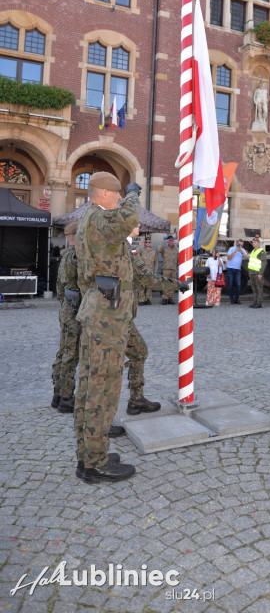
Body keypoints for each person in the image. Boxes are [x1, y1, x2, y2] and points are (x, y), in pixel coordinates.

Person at [74, 172, 141, 484]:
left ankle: (88, 455)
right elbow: (129, 218)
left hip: (97, 309)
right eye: (115, 195)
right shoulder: (100, 218)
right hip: (106, 318)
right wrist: (133, 193)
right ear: (103, 194)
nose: (118, 201)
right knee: (103, 388)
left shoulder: (90, 219)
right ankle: (96, 463)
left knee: (89, 386)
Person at [126, 225, 188, 414]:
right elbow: (147, 278)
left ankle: (136, 399)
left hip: (116, 312)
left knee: (137, 352)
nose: (138, 225)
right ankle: (99, 420)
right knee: (108, 364)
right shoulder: (125, 248)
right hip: (113, 315)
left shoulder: (121, 245)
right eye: (134, 222)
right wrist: (178, 285)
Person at [51, 221, 80, 414]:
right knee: (71, 354)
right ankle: (67, 398)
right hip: (75, 311)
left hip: (65, 310)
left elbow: (59, 289)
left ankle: (58, 393)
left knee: (63, 352)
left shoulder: (65, 256)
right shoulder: (77, 257)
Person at [226, 238, 248, 304]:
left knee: (238, 284)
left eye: (241, 245)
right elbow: (228, 258)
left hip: (238, 269)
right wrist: (235, 251)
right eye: (239, 244)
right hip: (230, 268)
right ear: (236, 243)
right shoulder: (231, 248)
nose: (240, 246)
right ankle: (231, 299)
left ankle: (236, 299)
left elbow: (248, 257)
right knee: (230, 284)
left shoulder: (243, 250)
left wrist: (241, 252)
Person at [158, 235, 178, 305]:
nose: (171, 242)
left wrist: (177, 268)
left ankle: (170, 297)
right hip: (166, 268)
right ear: (168, 241)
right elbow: (158, 249)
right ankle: (165, 298)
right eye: (169, 240)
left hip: (173, 269)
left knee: (172, 284)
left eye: (172, 240)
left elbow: (178, 259)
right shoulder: (165, 248)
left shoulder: (176, 249)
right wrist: (164, 242)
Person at [248, 236, 267, 309]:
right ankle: (255, 302)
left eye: (255, 242)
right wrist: (249, 272)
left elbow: (264, 263)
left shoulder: (261, 251)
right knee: (254, 288)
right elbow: (251, 263)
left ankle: (259, 303)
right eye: (253, 242)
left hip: (257, 273)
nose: (253, 243)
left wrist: (260, 273)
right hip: (252, 273)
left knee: (259, 288)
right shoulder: (253, 251)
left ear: (258, 243)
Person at [138, 236, 158, 305]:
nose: (148, 243)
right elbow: (134, 253)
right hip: (142, 271)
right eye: (146, 242)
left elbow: (156, 262)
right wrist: (139, 245)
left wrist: (155, 272)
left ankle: (148, 299)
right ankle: (141, 300)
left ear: (150, 243)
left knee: (149, 286)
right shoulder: (141, 250)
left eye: (149, 242)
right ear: (145, 243)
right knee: (142, 286)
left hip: (150, 271)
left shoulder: (154, 251)